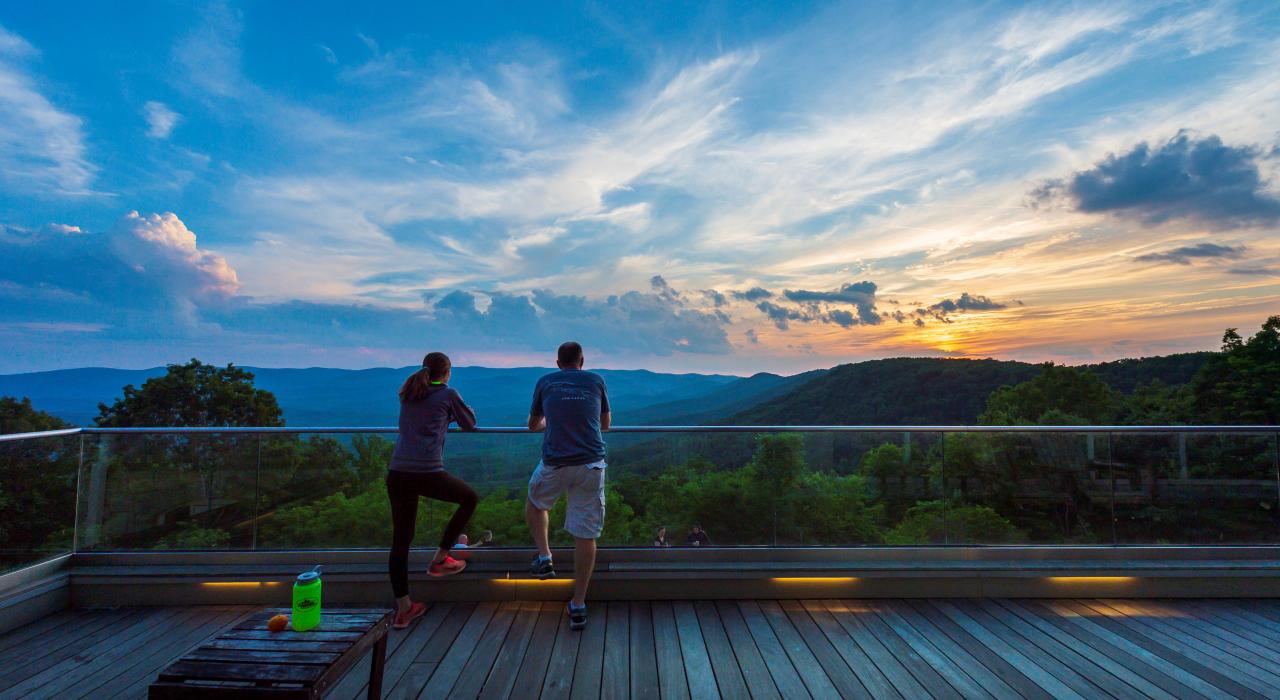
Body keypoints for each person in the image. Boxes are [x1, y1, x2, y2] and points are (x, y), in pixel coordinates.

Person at [386, 352, 479, 629]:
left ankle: (404, 609)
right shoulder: (448, 394)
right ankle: (440, 559)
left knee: (400, 541)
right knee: (469, 499)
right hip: (426, 471)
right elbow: (470, 423)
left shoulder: (409, 393)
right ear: (447, 373)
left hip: (397, 473)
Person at [525, 341, 610, 631]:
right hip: (590, 464)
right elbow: (606, 424)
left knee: (536, 505)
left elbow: (532, 425)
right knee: (586, 536)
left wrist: (555, 423)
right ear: (582, 361)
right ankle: (578, 604)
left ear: (558, 362)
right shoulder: (596, 380)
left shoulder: (545, 381)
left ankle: (545, 555)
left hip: (555, 462)